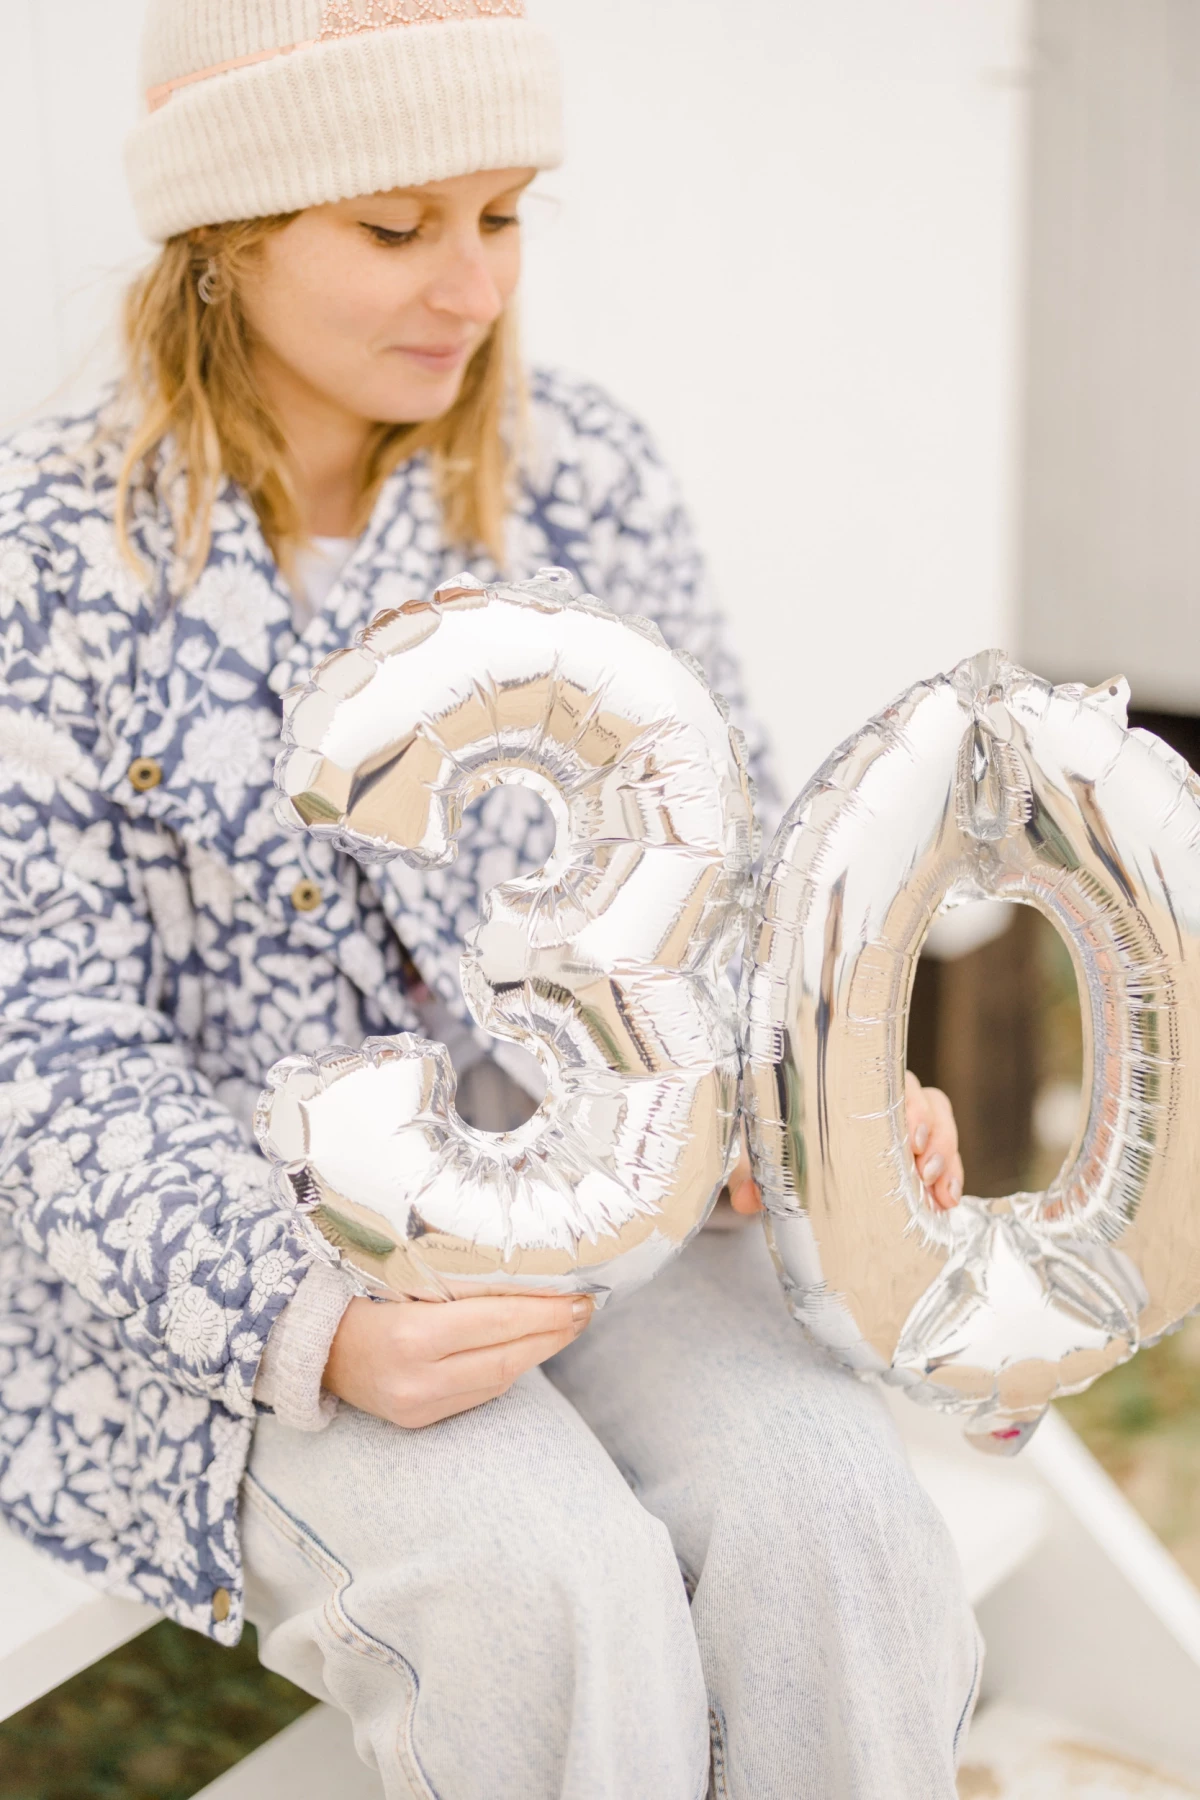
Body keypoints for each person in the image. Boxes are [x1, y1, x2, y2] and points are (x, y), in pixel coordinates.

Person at [0, 3, 975, 1795]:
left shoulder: (575, 479)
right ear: (225, 237)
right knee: (552, 1593)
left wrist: (804, 1102)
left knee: (839, 1524)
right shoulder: (48, 568)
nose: (472, 284)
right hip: (247, 1268)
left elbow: (727, 871)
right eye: (396, 227)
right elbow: (37, 1043)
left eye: (504, 213)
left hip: (607, 1197)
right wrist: (318, 1326)